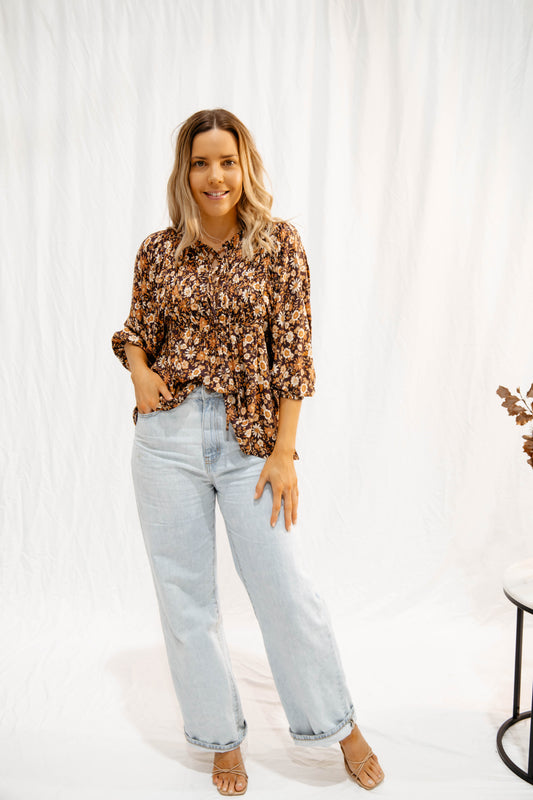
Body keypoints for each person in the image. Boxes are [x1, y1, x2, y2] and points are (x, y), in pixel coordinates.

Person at [111, 108, 384, 796]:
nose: (213, 175)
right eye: (200, 162)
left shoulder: (279, 244)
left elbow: (292, 355)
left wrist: (284, 453)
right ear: (185, 170)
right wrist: (140, 370)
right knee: (185, 598)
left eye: (225, 161)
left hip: (249, 442)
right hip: (165, 439)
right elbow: (137, 329)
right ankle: (218, 738)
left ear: (244, 166)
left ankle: (338, 725)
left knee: (282, 591)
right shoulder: (158, 249)